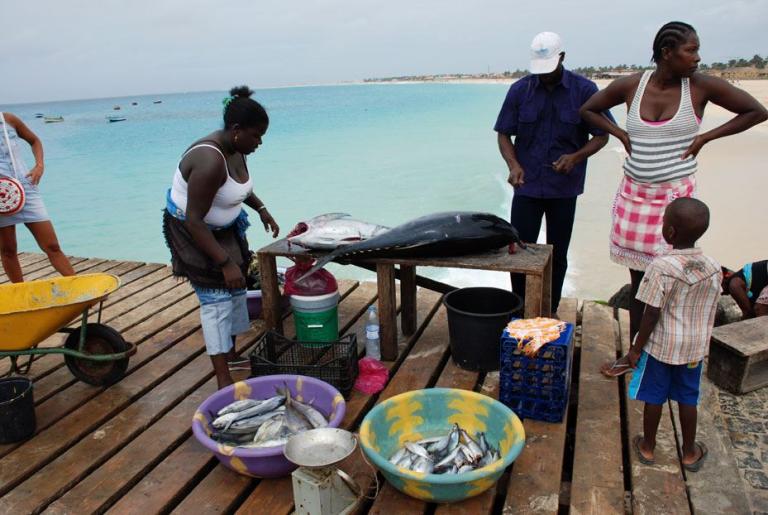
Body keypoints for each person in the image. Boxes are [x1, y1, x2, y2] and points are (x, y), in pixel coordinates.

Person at [580, 21, 768, 358]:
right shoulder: (631, 86)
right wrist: (620, 134)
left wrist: (706, 137)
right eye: (691, 50)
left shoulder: (700, 87)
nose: (697, 57)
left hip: (674, 203)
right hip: (635, 197)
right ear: (667, 53)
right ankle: (637, 354)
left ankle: (665, 352)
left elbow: (757, 111)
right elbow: (588, 109)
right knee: (640, 283)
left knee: (669, 280)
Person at [162, 86, 280, 390]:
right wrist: (225, 261)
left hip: (226, 226)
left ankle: (231, 353)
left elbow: (240, 188)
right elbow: (193, 221)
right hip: (193, 231)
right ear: (237, 130)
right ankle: (223, 378)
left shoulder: (238, 148)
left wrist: (262, 210)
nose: (261, 142)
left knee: (237, 290)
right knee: (216, 301)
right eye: (257, 135)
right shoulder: (209, 161)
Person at [495, 32, 613, 316]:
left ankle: (550, 309)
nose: (544, 76)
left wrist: (576, 157)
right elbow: (503, 134)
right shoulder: (519, 90)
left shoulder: (585, 90)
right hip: (527, 187)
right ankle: (521, 308)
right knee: (519, 252)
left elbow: (602, 135)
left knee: (557, 254)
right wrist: (514, 165)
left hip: (564, 189)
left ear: (562, 57)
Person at [615, 198, 721, 471]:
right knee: (688, 397)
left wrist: (636, 348)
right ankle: (688, 452)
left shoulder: (661, 267)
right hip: (693, 349)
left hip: (662, 347)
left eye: (664, 221)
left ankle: (648, 447)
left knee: (655, 396)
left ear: (670, 232)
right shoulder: (713, 267)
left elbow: (651, 313)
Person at [0, 112, 74, 282]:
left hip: (26, 187)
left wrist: (39, 166)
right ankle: (22, 296)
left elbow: (34, 141)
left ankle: (81, 292)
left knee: (52, 246)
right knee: (8, 250)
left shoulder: (8, 119)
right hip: (2, 197)